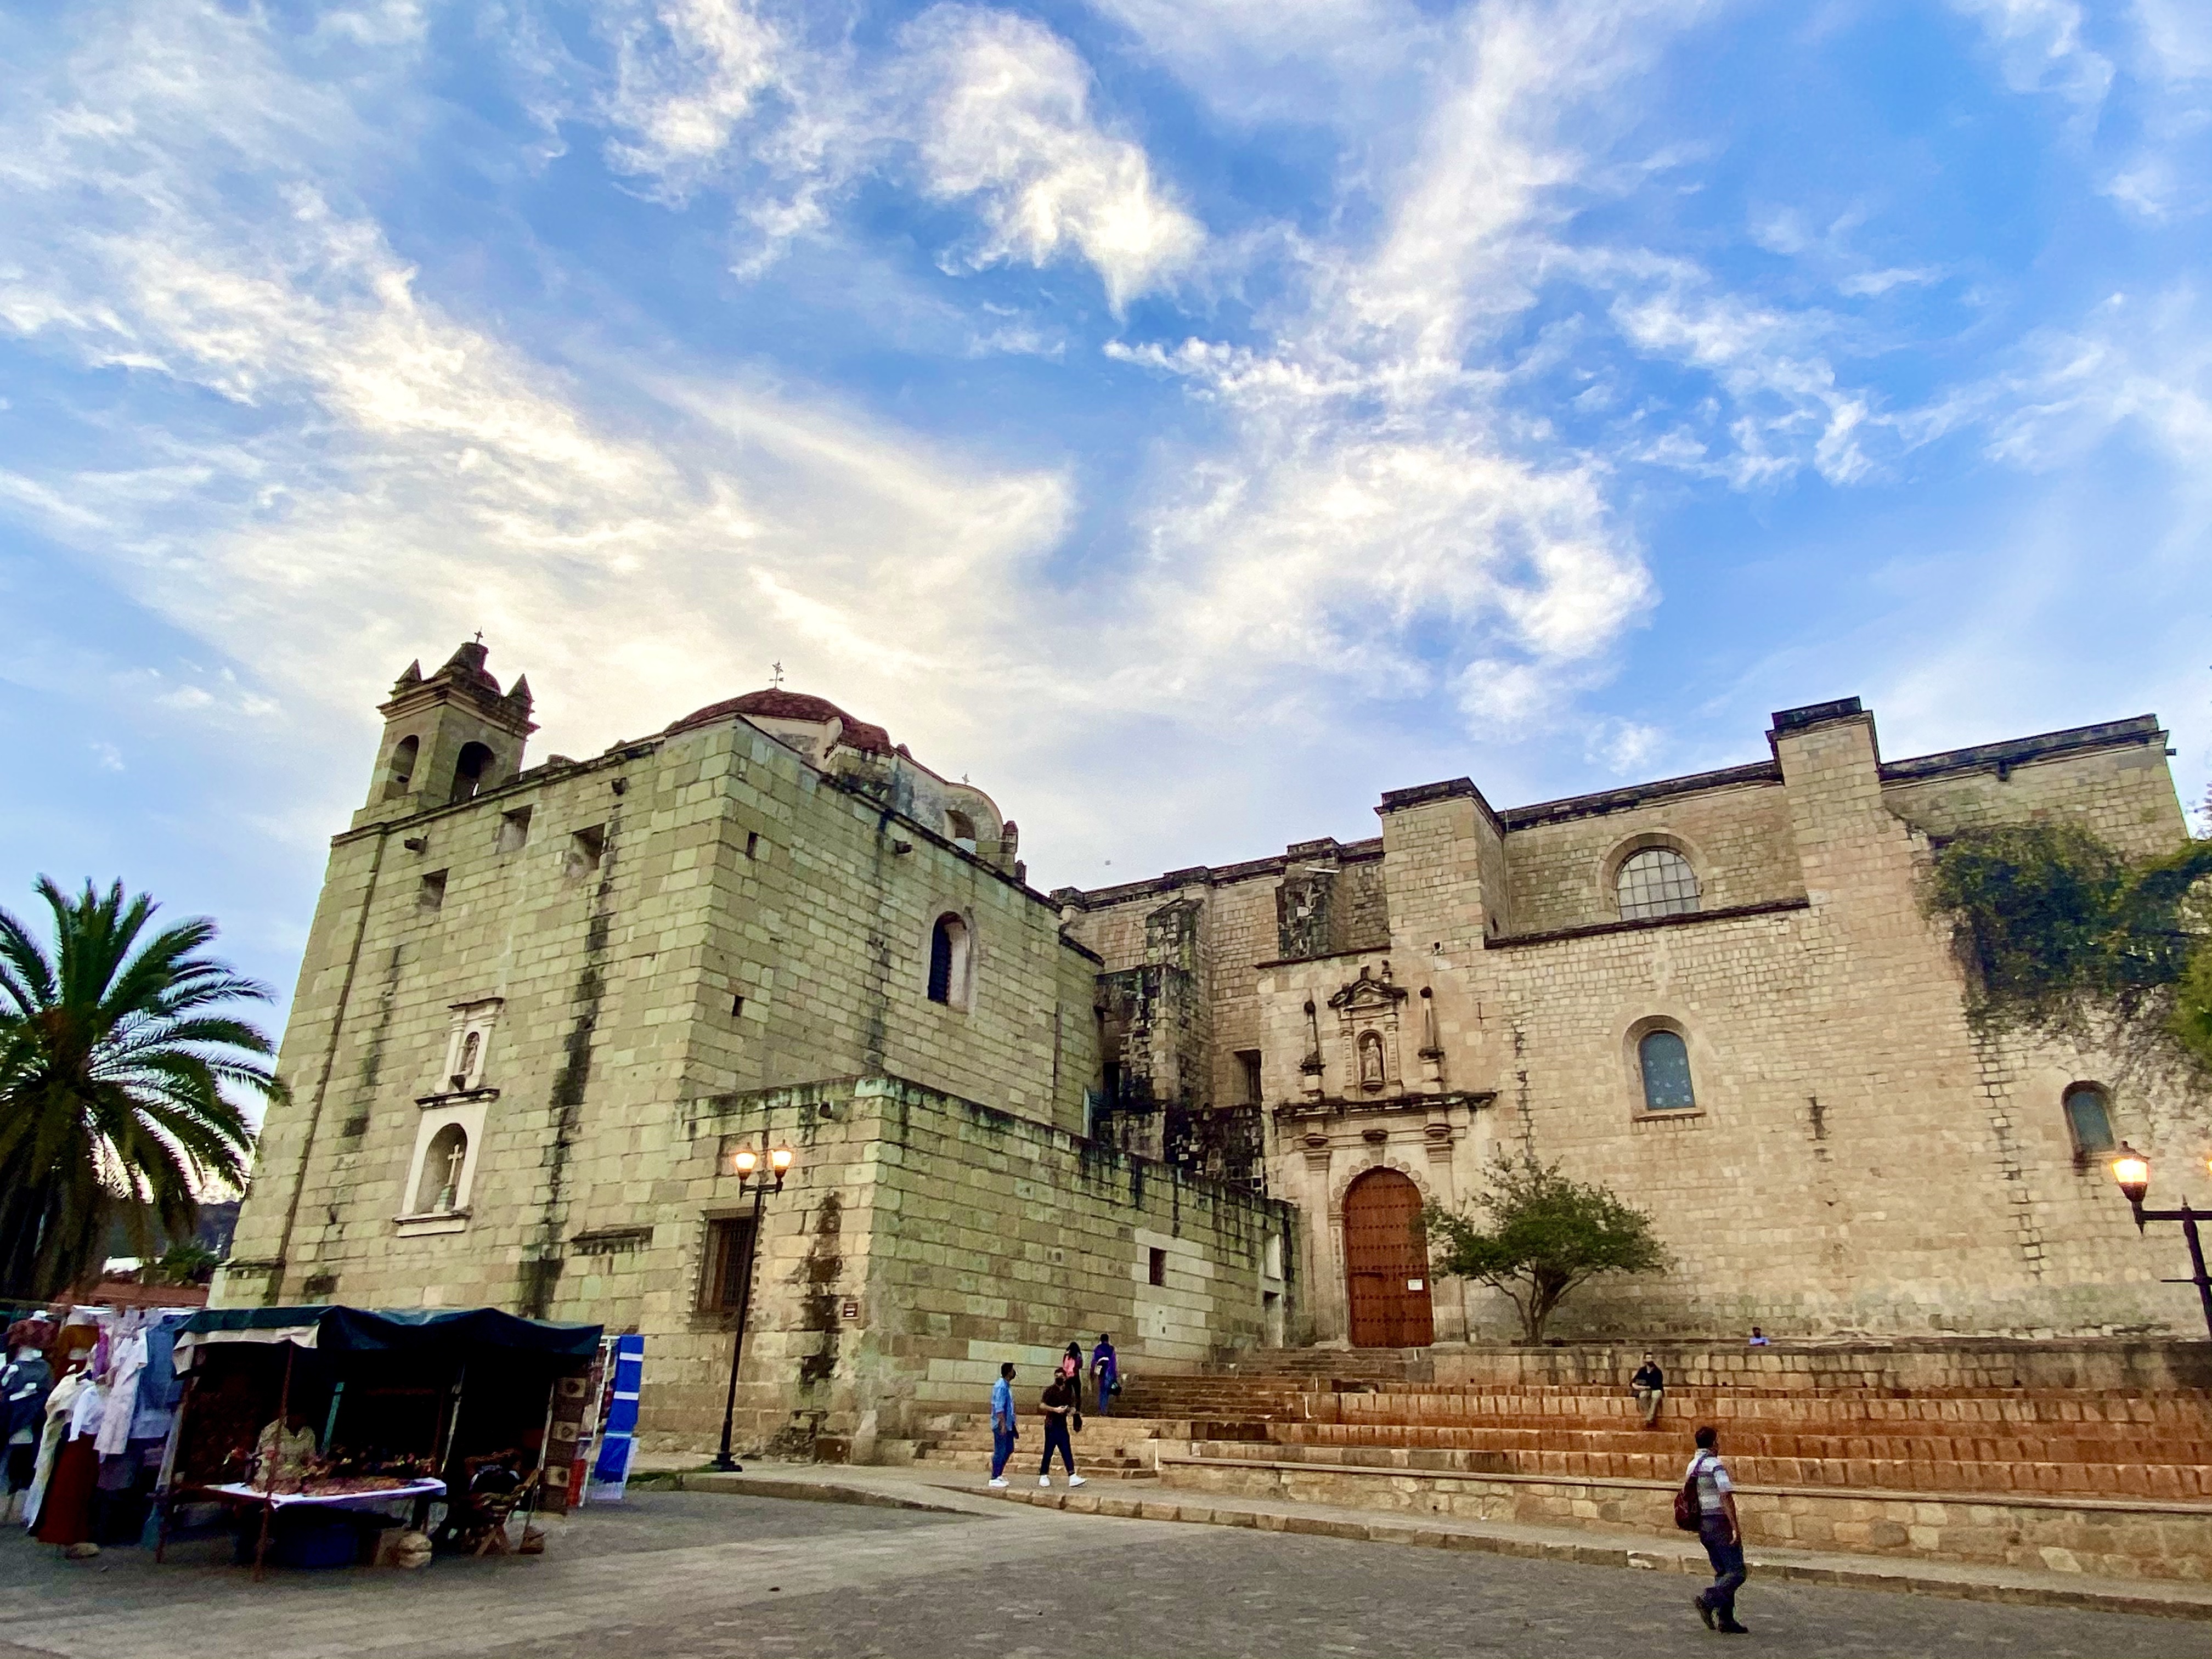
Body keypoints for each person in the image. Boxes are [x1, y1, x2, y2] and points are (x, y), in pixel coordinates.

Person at [1686, 1425, 1748, 1634]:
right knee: (1737, 1572)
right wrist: (1735, 1528)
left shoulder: (1692, 1465)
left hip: (1704, 1524)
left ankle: (1726, 1619)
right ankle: (1708, 1600)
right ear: (1713, 1443)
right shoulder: (1715, 1465)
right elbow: (1726, 1496)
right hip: (1720, 1523)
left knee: (1723, 1572)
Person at [3, 1341, 54, 1522]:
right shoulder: (14, 1368)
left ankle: (22, 1504)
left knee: (23, 1463)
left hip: (30, 1422)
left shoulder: (43, 1369)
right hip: (15, 1418)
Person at [1036, 1372, 1084, 1489]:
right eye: (1057, 1376)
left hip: (1062, 1424)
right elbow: (1042, 1405)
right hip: (1051, 1424)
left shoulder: (1068, 1391)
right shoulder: (1050, 1391)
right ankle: (1043, 1474)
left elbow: (1072, 1405)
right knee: (1049, 1450)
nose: (1059, 1378)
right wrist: (1055, 1410)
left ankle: (1072, 1475)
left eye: (1061, 1376)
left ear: (1065, 1378)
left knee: (1066, 1450)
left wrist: (1071, 1411)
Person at [254, 1407, 319, 1486]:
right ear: (291, 1416)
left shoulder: (308, 1434)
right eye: (300, 1417)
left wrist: (311, 1465)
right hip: (269, 1479)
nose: (303, 1421)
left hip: (295, 1480)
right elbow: (265, 1456)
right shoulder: (272, 1431)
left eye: (304, 1418)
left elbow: (309, 1457)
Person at [988, 1362, 1018, 1488]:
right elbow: (999, 1407)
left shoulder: (1006, 1385)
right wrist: (1002, 1424)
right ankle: (994, 1476)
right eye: (1013, 1370)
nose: (1014, 1372)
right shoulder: (1001, 1386)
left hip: (1009, 1424)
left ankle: (999, 1473)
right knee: (1000, 1450)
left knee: (1009, 1448)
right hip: (1001, 1424)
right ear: (1009, 1372)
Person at [1630, 1352, 1664, 1430]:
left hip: (1656, 1390)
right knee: (1642, 1396)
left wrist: (1644, 1387)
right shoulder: (1642, 1370)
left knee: (1655, 1396)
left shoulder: (1657, 1371)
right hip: (1646, 1390)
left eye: (1651, 1358)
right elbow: (1634, 1381)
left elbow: (1657, 1385)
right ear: (1645, 1360)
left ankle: (1649, 1419)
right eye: (1648, 1358)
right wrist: (1634, 1385)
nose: (1650, 1360)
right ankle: (1650, 1418)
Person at [1089, 1334, 1119, 1417]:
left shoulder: (1098, 1349)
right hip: (1109, 1371)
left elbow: (1094, 1361)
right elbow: (1113, 1362)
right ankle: (1104, 1410)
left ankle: (1102, 1409)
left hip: (1101, 1372)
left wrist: (1092, 1371)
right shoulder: (1111, 1349)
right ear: (1108, 1340)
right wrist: (1115, 1375)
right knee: (1106, 1391)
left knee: (1102, 1391)